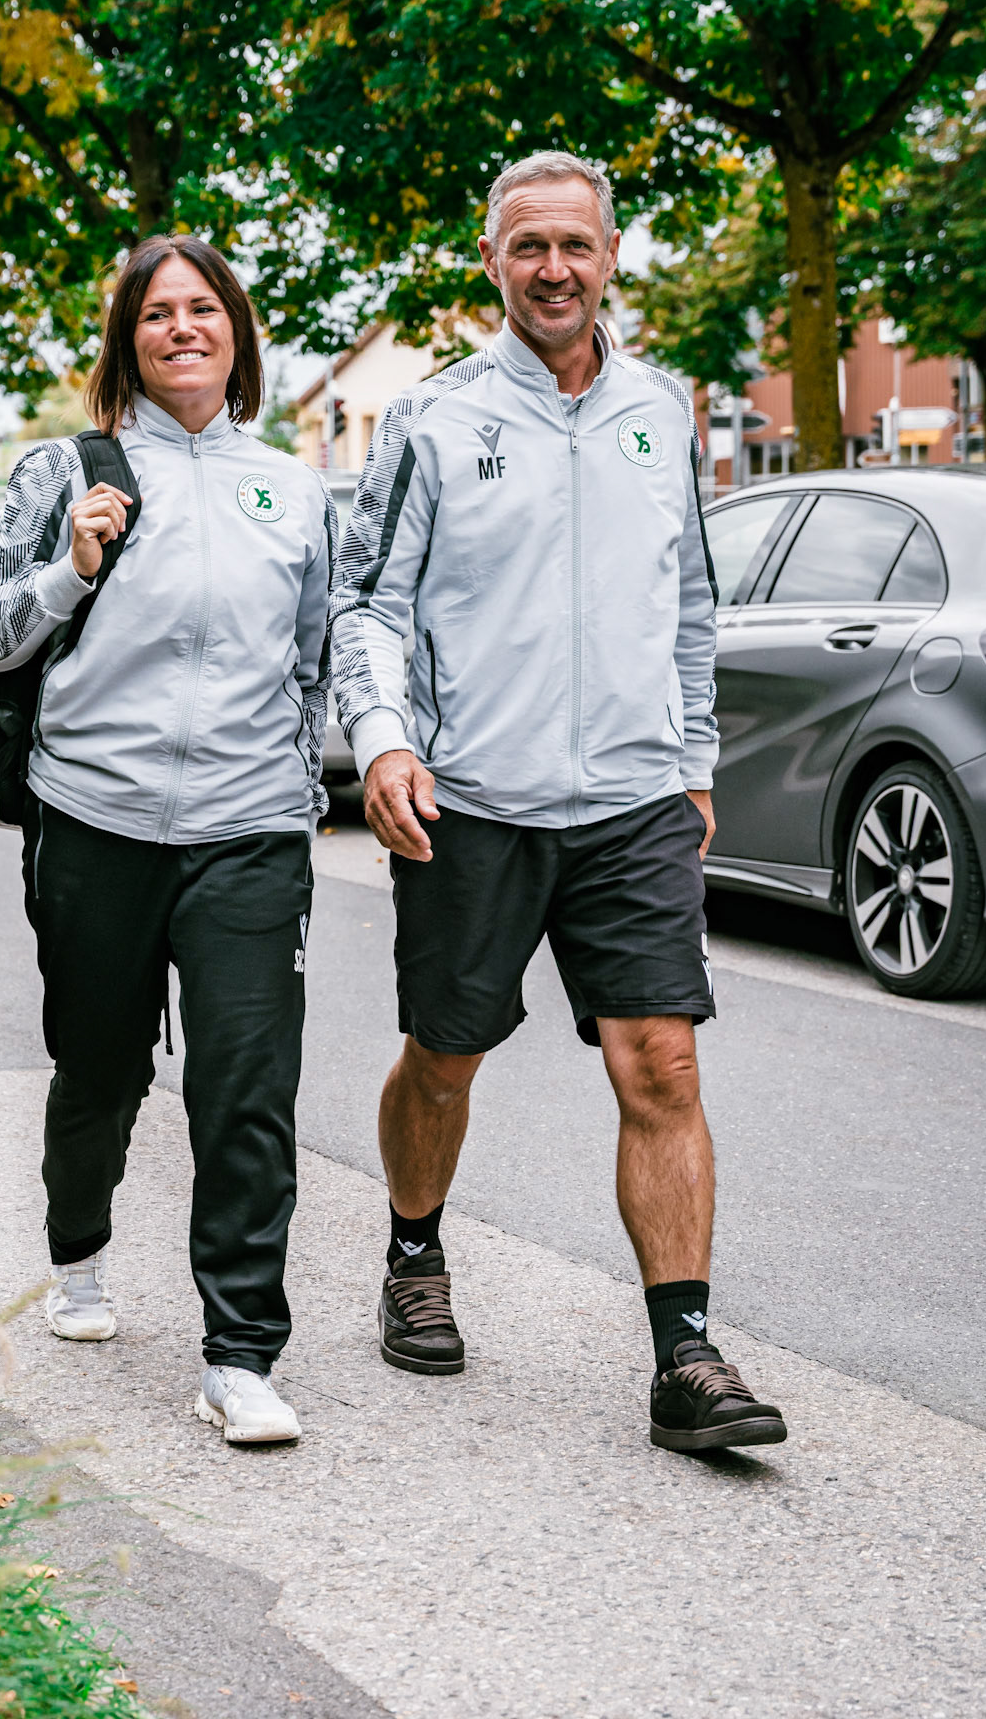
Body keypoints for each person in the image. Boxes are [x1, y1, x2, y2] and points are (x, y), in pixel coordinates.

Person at [330, 150, 787, 1451]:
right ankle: (415, 1251)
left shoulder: (661, 414)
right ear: (493, 262)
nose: (553, 268)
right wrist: (381, 741)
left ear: (610, 255)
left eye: (574, 245)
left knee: (662, 1063)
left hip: (633, 803)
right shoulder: (435, 420)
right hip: (472, 800)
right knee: (445, 1055)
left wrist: (691, 763)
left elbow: (689, 604)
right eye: (527, 246)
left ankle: (684, 1353)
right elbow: (368, 602)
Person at [0, 235, 335, 1446]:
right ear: (129, 338)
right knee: (103, 1066)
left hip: (250, 832)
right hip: (97, 821)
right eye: (157, 312)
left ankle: (240, 1353)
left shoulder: (296, 486)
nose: (182, 327)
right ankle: (80, 1253)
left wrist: (300, 782)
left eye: (203, 308)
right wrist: (68, 570)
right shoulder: (67, 470)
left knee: (247, 1089)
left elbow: (313, 659)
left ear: (237, 333)